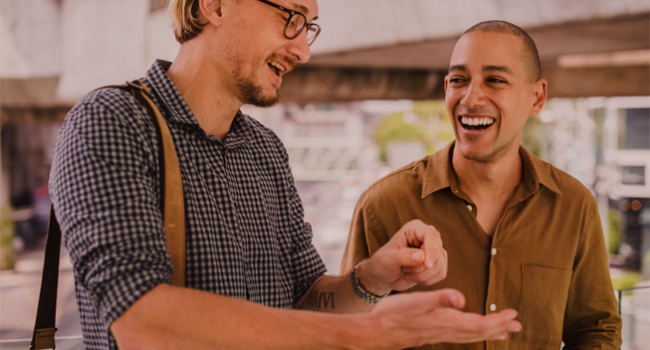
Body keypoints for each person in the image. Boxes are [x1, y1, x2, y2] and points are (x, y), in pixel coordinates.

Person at [49, 1, 523, 349]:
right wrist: (361, 334)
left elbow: (304, 295)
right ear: (215, 5)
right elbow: (140, 321)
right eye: (290, 17)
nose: (303, 49)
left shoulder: (264, 149)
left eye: (308, 28)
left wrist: (373, 278)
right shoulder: (110, 121)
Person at [341, 20, 622, 350]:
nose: (471, 98)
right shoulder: (383, 205)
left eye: (495, 80)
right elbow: (347, 332)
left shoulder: (574, 205)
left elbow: (595, 329)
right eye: (459, 80)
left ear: (537, 97)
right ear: (446, 87)